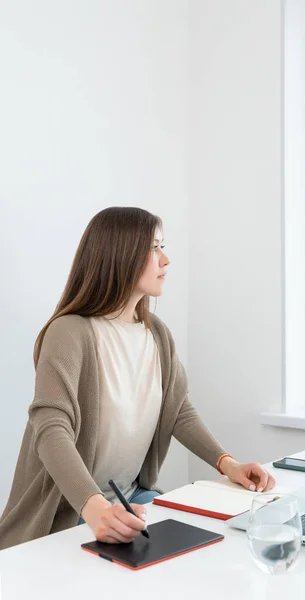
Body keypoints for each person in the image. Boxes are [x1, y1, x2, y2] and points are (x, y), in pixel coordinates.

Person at [0, 207, 275, 550]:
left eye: (163, 247)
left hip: (130, 502)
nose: (166, 260)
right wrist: (94, 506)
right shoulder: (69, 332)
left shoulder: (156, 334)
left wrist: (228, 464)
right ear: (121, 256)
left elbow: (178, 411)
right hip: (71, 512)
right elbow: (51, 428)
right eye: (155, 248)